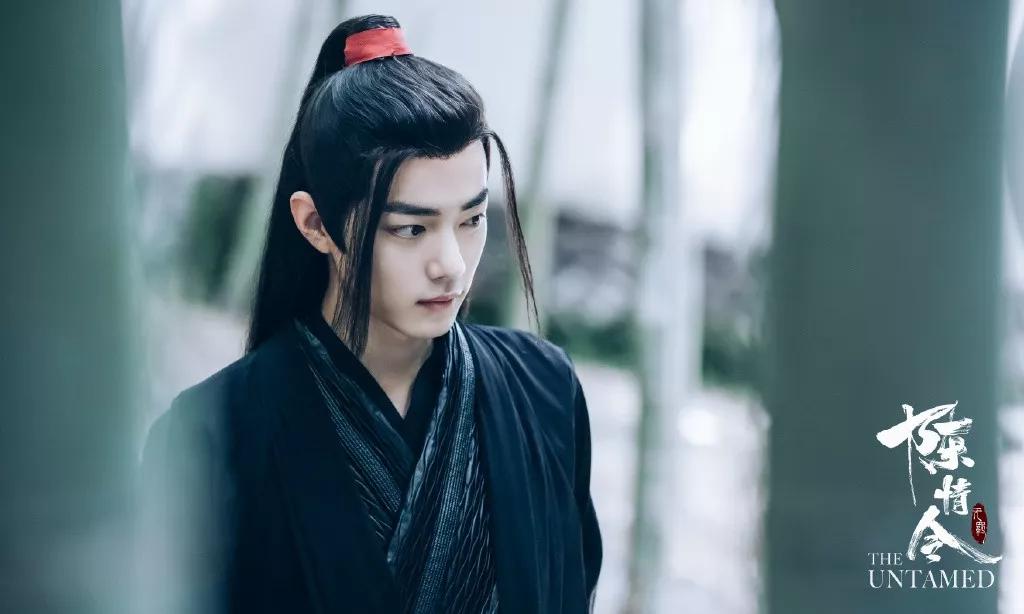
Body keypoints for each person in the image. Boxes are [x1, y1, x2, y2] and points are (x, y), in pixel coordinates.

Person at [139, 14, 602, 614]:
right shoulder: (211, 433)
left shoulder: (545, 389)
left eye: (472, 220)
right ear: (315, 224)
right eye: (411, 229)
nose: (451, 266)